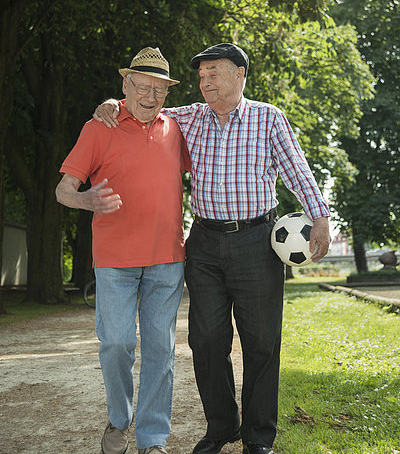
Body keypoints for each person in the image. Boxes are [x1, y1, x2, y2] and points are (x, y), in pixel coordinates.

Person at [94, 43, 331, 454]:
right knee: (205, 342)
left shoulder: (268, 118)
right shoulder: (188, 118)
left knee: (260, 342)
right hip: (202, 244)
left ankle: (258, 437)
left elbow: (296, 168)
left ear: (240, 74)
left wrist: (321, 214)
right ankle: (222, 428)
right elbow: (145, 104)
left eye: (214, 74)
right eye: (202, 76)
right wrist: (112, 102)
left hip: (257, 242)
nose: (205, 83)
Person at [56, 47, 190, 454]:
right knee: (116, 343)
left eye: (160, 91)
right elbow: (63, 191)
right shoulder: (99, 127)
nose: (151, 98)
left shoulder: (176, 127)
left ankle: (153, 439)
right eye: (143, 87)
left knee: (160, 350)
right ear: (125, 85)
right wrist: (87, 201)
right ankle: (118, 419)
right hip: (115, 261)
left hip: (167, 258)